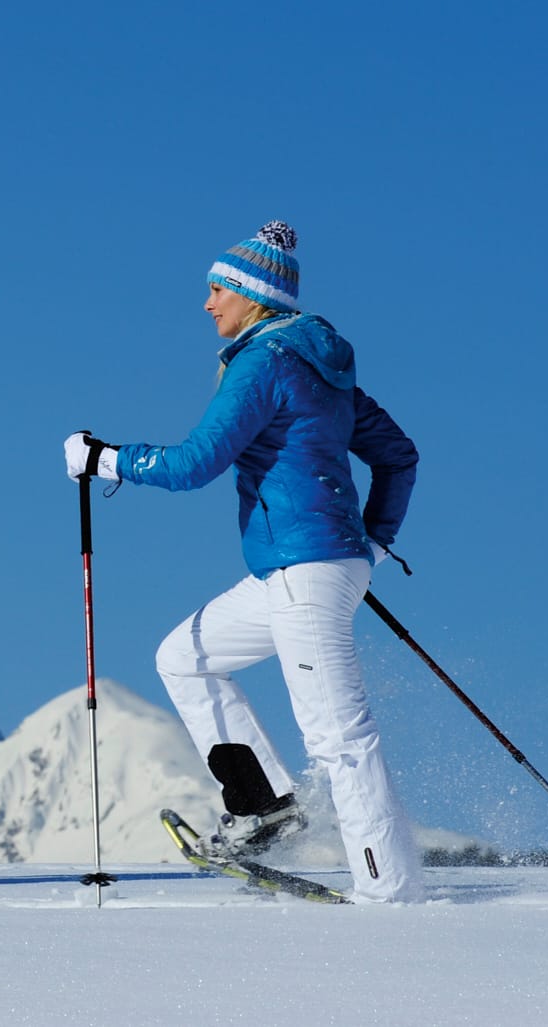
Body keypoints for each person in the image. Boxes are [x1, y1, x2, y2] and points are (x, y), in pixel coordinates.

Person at [65, 221, 424, 903]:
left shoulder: (265, 362)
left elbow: (193, 462)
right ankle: (264, 804)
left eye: (217, 289)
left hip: (306, 571)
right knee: (184, 654)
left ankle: (391, 889)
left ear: (251, 294)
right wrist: (371, 545)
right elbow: (399, 454)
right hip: (302, 569)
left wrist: (104, 458)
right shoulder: (323, 366)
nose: (207, 304)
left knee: (338, 734)